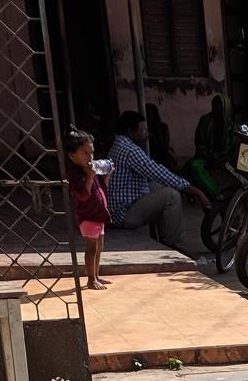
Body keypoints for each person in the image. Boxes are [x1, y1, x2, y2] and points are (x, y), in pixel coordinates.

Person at [105, 109, 208, 248]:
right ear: (131, 131)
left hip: (116, 209)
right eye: (143, 130)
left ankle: (165, 238)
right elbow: (159, 173)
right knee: (171, 196)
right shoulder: (130, 150)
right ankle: (175, 247)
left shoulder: (118, 145)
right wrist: (196, 191)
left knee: (159, 187)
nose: (146, 134)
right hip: (122, 215)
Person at [64, 128, 109, 289]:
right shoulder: (76, 174)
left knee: (99, 247)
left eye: (91, 153)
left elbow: (101, 189)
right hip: (88, 216)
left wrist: (106, 176)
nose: (90, 157)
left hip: (98, 215)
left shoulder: (90, 170)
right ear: (72, 155)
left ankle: (96, 275)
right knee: (91, 248)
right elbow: (83, 195)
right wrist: (90, 176)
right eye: (85, 153)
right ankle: (91, 279)